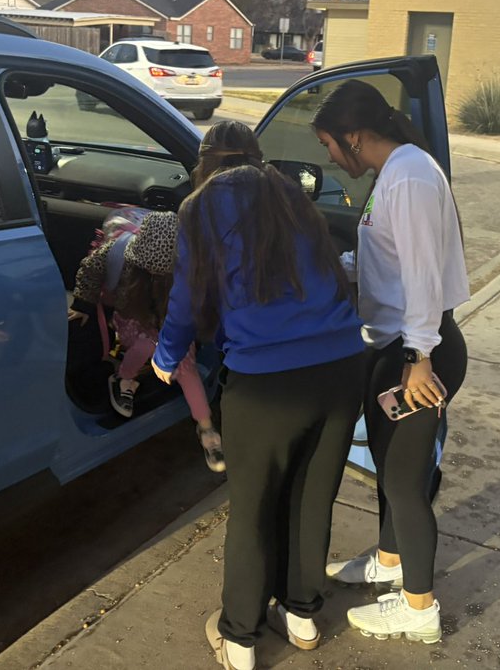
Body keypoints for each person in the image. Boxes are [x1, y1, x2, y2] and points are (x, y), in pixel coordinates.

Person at [151, 121, 365, 670]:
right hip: (341, 368)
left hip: (266, 383)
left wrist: (167, 356)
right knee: (310, 497)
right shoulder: (288, 192)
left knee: (251, 509)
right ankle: (302, 617)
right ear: (255, 155)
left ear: (205, 162)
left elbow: (187, 293)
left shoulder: (200, 207)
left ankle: (240, 638)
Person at [309, 80, 469, 646]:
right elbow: (392, 260)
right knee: (389, 468)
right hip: (396, 345)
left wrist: (418, 359)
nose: (328, 157)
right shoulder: (395, 173)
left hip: (418, 352)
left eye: (329, 144)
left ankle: (418, 609)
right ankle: (390, 559)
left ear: (354, 136)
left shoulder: (412, 177)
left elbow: (423, 273)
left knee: (404, 482)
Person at [69, 211, 225, 472]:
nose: (154, 273)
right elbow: (91, 269)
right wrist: (83, 304)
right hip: (131, 319)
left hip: (169, 325)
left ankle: (207, 429)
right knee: (146, 345)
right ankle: (123, 378)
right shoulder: (119, 252)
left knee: (186, 368)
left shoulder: (189, 271)